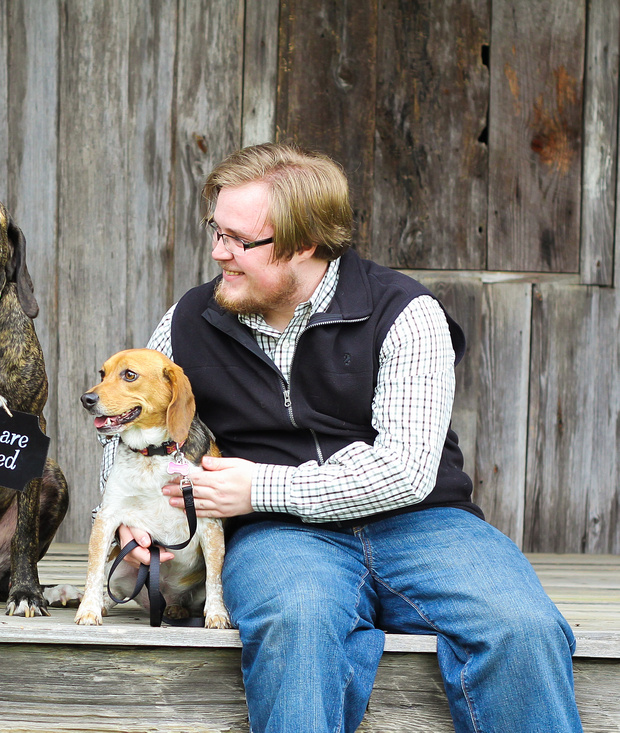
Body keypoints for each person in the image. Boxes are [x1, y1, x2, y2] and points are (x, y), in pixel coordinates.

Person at [104, 143, 581, 732]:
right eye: (215, 230)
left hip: (424, 523)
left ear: (304, 243)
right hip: (282, 540)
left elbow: (406, 470)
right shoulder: (188, 319)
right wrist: (132, 516)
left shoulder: (406, 311)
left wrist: (262, 487)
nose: (217, 252)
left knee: (523, 628)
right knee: (299, 623)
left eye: (238, 240)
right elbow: (125, 423)